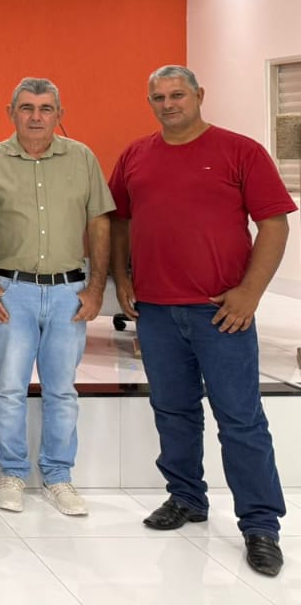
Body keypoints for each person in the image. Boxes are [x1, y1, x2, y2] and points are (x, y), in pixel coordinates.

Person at [109, 65, 292, 577]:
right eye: (159, 97)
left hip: (221, 313)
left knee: (240, 419)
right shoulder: (135, 155)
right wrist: (122, 276)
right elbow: (119, 220)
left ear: (199, 95)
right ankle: (187, 497)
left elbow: (274, 225)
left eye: (178, 95)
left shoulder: (240, 151)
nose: (168, 104)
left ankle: (261, 525)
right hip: (156, 312)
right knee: (173, 411)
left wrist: (250, 293)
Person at [0, 78, 113, 516]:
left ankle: (58, 475)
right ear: (11, 113)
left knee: (62, 390)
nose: (36, 117)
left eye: (46, 108)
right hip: (11, 291)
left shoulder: (82, 158)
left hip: (69, 292)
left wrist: (96, 288)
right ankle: (13, 473)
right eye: (27, 108)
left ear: (59, 114)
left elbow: (100, 223)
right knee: (10, 387)